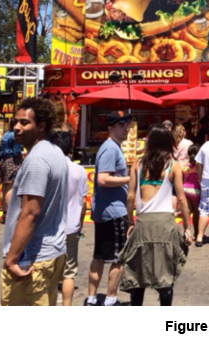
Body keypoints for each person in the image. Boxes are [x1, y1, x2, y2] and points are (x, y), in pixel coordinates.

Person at [0, 97, 68, 306]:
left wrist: (12, 258)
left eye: (24, 123)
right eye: (16, 122)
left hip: (31, 258)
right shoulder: (54, 152)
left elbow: (30, 213)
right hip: (51, 252)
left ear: (41, 126)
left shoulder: (37, 159)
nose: (17, 127)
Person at [120, 124, 192, 306]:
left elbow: (130, 197)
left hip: (143, 224)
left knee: (138, 274)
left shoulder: (138, 164)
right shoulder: (173, 166)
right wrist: (187, 228)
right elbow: (182, 199)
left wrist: (130, 222)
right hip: (165, 225)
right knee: (165, 274)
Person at [86, 110, 132, 306]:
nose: (126, 128)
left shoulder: (112, 147)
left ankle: (92, 298)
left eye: (127, 124)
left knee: (100, 255)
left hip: (107, 209)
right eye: (122, 125)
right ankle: (110, 299)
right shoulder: (111, 148)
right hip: (113, 211)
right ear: (111, 128)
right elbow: (103, 179)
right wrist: (130, 179)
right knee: (118, 258)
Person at [50, 125, 89, 306]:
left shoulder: (49, 169)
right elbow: (84, 203)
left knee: (48, 270)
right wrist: (80, 226)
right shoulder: (79, 171)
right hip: (72, 226)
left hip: (50, 227)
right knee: (69, 272)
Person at [0, 118, 23, 220]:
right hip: (12, 162)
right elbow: (16, 152)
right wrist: (24, 153)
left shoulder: (6, 134)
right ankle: (10, 215)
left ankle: (5, 213)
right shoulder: (15, 136)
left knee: (4, 188)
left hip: (4, 162)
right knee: (11, 188)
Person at [182, 143, 201, 241]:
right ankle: (197, 233)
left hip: (185, 189)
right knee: (196, 214)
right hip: (196, 190)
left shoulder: (184, 163)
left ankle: (186, 232)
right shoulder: (199, 164)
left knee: (187, 212)